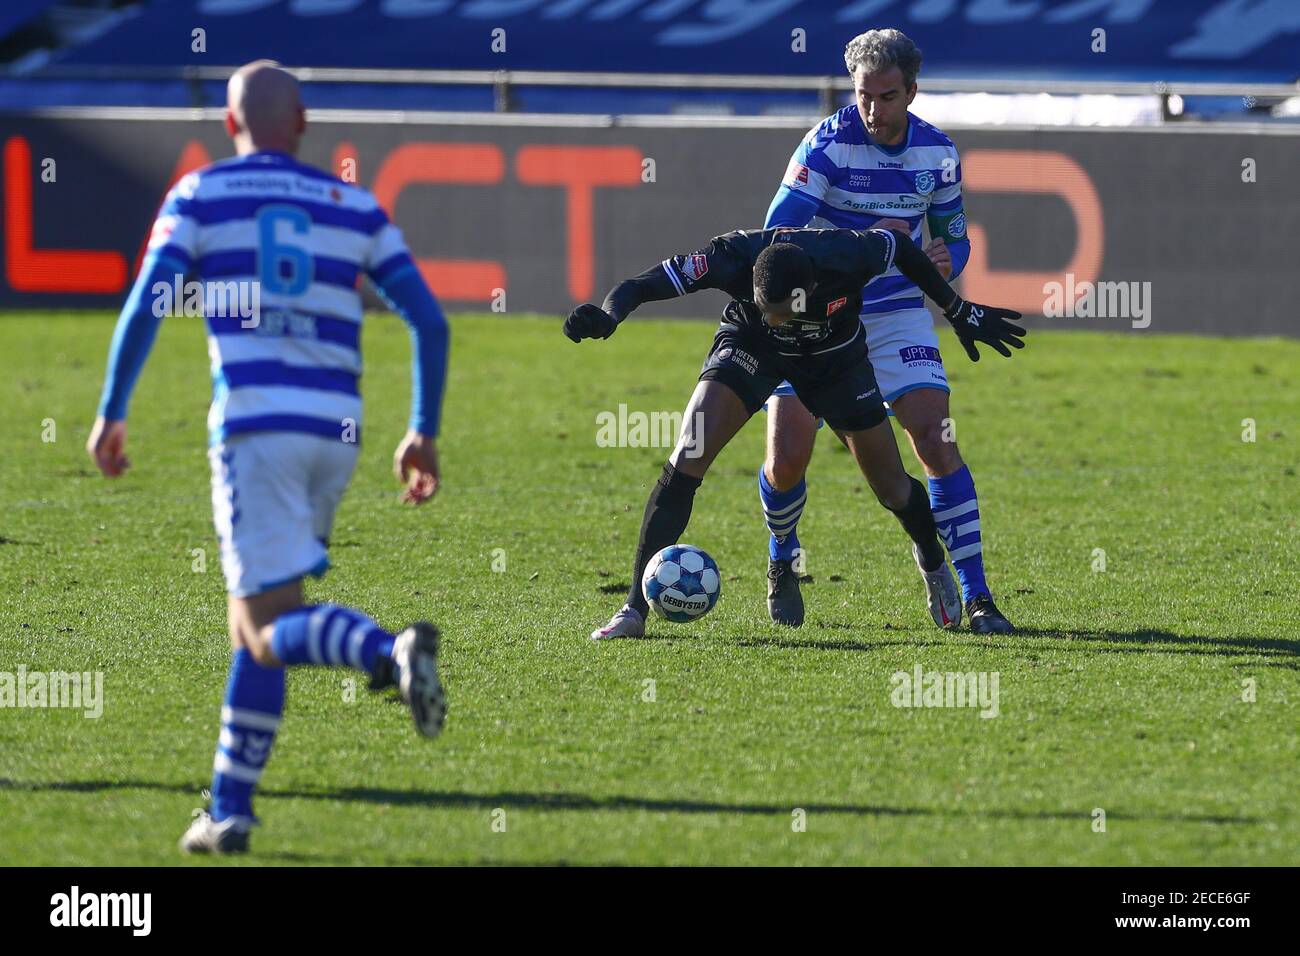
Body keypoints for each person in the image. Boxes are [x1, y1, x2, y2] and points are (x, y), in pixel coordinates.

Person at [85, 61, 451, 854]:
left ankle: (385, 650)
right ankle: (231, 811)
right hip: (338, 433)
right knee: (259, 620)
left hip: (257, 428)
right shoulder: (353, 204)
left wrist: (113, 410)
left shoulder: (200, 193)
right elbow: (429, 319)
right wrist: (421, 427)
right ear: (305, 121)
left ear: (229, 124)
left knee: (261, 628)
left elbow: (149, 300)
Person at [564, 225, 1024, 639]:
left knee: (892, 486)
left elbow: (902, 246)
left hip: (836, 360)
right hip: (752, 350)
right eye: (770, 309)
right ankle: (633, 609)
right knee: (688, 454)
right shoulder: (732, 257)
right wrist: (609, 315)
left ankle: (931, 558)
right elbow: (641, 285)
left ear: (813, 288)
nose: (778, 318)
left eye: (785, 311)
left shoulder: (847, 255)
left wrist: (955, 307)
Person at [758, 28, 1017, 634]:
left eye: (887, 96)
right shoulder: (825, 146)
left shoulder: (939, 154)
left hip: (898, 312)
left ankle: (978, 596)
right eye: (863, 95)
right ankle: (780, 559)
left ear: (913, 91)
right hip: (818, 315)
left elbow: (955, 233)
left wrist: (951, 258)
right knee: (788, 456)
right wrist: (865, 247)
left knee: (934, 435)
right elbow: (779, 229)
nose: (872, 109)